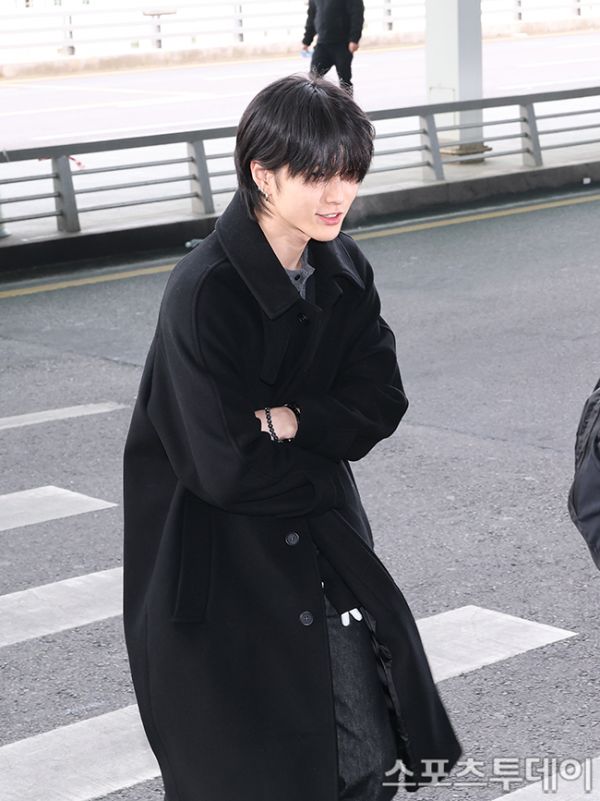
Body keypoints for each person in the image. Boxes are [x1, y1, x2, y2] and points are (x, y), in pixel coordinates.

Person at [122, 73, 462, 801]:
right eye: (316, 176)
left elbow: (382, 399)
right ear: (262, 174)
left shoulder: (341, 264)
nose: (338, 195)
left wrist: (295, 420)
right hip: (221, 565)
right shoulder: (206, 291)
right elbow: (225, 465)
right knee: (252, 774)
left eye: (350, 173)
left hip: (320, 545)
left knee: (366, 756)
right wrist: (324, 464)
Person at [302, 0, 365, 96]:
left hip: (342, 44)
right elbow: (311, 17)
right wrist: (307, 41)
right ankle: (313, 104)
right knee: (313, 79)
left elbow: (357, 14)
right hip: (322, 45)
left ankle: (347, 104)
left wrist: (354, 39)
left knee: (344, 81)